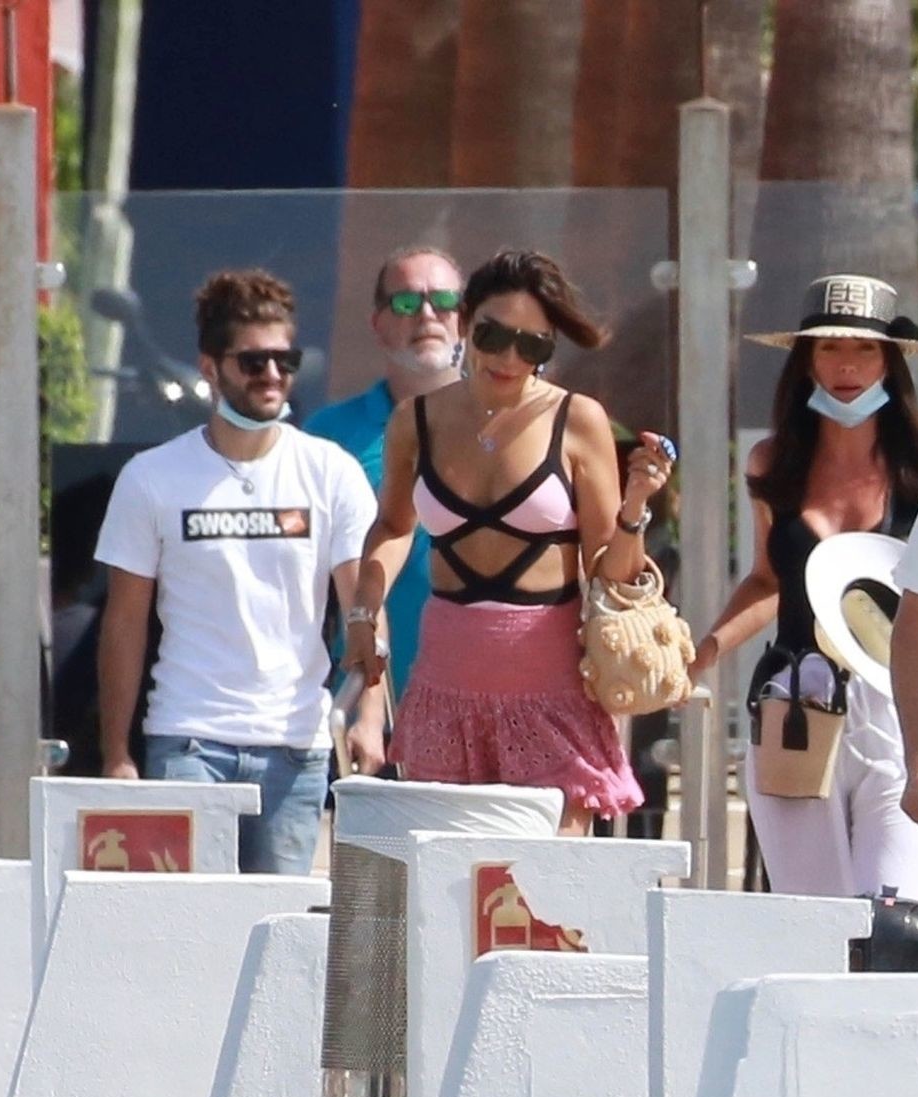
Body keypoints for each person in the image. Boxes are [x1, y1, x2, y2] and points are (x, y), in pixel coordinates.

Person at [342, 248, 672, 834]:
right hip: (447, 682)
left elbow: (608, 570)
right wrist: (364, 612)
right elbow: (393, 526)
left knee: (550, 878)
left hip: (550, 686)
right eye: (493, 336)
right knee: (445, 871)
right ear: (466, 321)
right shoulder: (416, 421)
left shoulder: (578, 419)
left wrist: (634, 507)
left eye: (533, 345)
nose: (510, 358)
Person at [94, 268, 386, 873]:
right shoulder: (151, 477)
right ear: (211, 367)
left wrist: (369, 715)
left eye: (286, 360)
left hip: (295, 747)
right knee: (191, 922)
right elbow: (124, 623)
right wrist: (116, 753)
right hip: (187, 740)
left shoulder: (330, 471)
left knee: (277, 925)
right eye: (254, 362)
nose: (273, 375)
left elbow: (363, 606)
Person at [692, 274, 918, 903]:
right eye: (829, 347)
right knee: (811, 916)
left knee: (903, 912)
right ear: (805, 360)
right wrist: (703, 653)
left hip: (901, 706)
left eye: (865, 348)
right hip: (797, 703)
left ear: (890, 362)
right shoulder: (772, 463)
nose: (846, 365)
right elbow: (768, 580)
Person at [304, 245, 465, 700]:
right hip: (366, 707)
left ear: (466, 319)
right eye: (407, 303)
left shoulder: (512, 429)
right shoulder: (327, 437)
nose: (427, 315)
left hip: (483, 703)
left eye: (444, 301)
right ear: (378, 324)